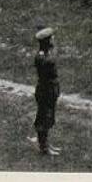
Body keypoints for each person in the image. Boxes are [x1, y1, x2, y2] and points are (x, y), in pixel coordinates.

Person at [33, 27, 61, 156]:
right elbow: (51, 62)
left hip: (50, 88)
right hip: (46, 90)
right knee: (44, 118)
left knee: (49, 117)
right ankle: (43, 147)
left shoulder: (46, 54)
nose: (54, 40)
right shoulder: (43, 57)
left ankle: (46, 144)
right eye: (51, 38)